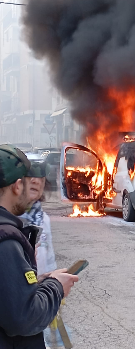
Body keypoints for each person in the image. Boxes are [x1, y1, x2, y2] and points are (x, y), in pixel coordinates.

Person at [0, 144, 78, 349]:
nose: (34, 183)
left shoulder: (37, 220)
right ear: (17, 186)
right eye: (27, 180)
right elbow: (23, 317)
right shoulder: (7, 240)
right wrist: (55, 287)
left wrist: (41, 282)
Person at [20, 162, 57, 275]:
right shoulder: (8, 218)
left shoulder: (43, 219)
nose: (36, 181)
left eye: (41, 178)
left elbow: (49, 260)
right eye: (29, 176)